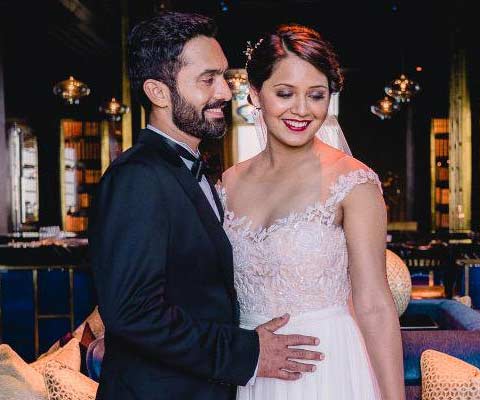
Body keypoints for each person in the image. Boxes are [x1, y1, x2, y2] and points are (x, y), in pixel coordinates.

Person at [90, 13, 322, 400]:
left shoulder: (191, 170)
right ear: (158, 92)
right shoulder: (137, 178)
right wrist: (247, 352)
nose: (226, 93)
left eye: (224, 78)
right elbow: (134, 313)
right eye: (208, 79)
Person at [218, 24, 405, 399]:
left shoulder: (354, 183)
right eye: (285, 93)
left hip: (328, 368)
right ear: (255, 93)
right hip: (252, 372)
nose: (301, 110)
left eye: (316, 95)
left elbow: (374, 304)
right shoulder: (229, 183)